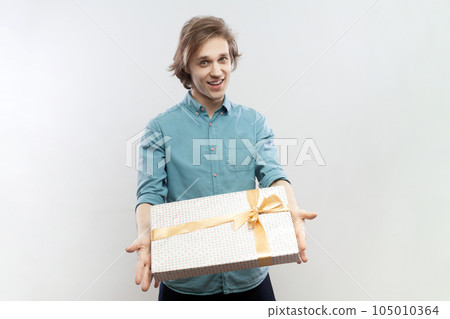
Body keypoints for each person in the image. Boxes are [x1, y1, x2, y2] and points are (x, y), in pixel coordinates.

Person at [125, 16, 317, 301]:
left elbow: (273, 175)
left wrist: (291, 206)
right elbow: (150, 194)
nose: (217, 71)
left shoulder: (254, 123)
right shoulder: (160, 128)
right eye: (204, 62)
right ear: (186, 68)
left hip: (250, 278)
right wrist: (146, 233)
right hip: (186, 283)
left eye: (223, 59)